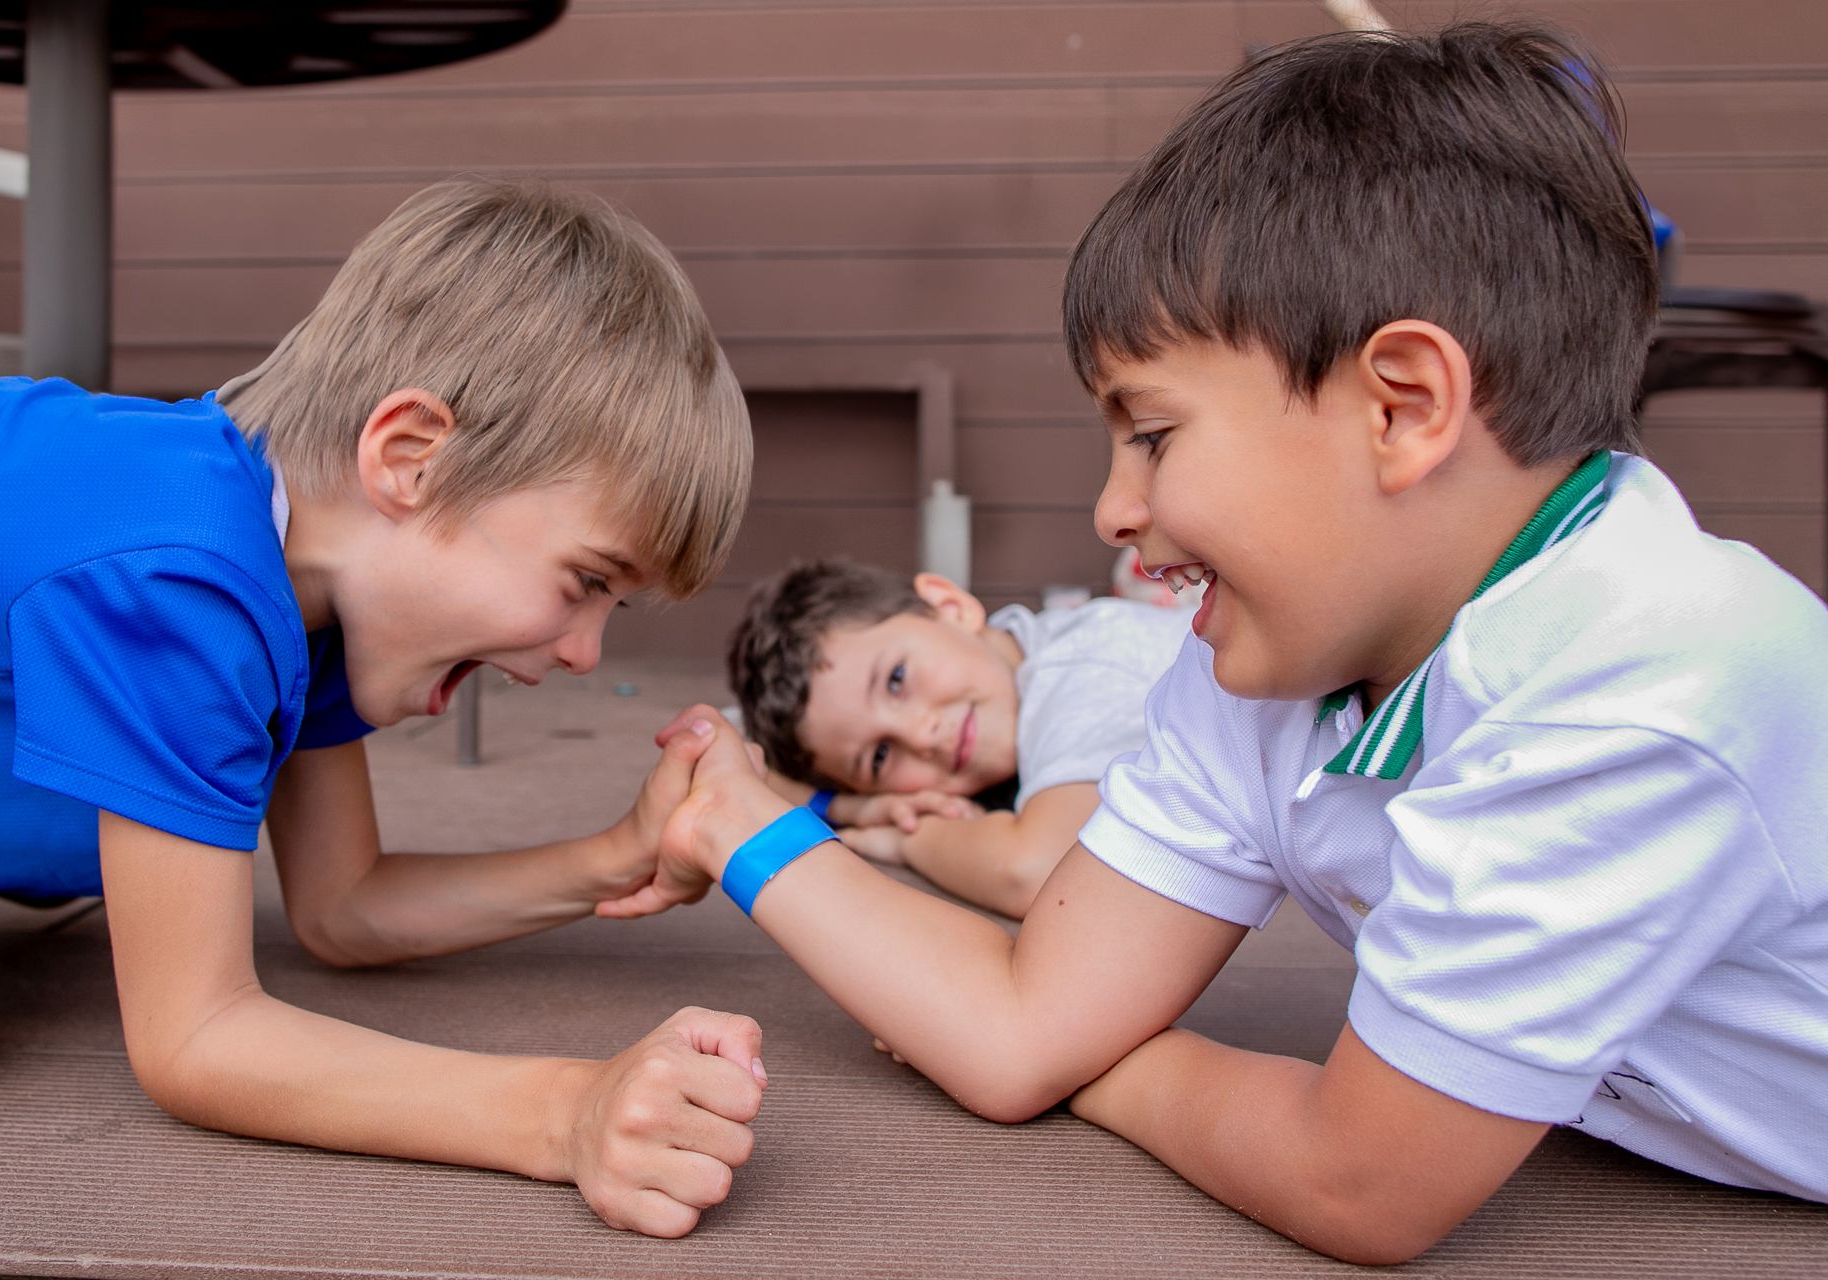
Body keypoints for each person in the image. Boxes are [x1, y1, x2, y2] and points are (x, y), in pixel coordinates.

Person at [612, 22, 1828, 1263]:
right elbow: (1026, 1023)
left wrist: (1121, 1063)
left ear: (1402, 406)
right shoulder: (1262, 664)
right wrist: (742, 819)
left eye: (1151, 433)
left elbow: (1358, 1180)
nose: (1111, 512)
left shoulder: (1638, 686)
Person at [0, 179, 765, 1239]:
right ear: (409, 458)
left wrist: (620, 853)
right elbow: (197, 1036)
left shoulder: (304, 589)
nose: (586, 650)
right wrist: (565, 1110)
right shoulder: (180, 572)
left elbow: (343, 907)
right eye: (587, 580)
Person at [726, 559, 1192, 917]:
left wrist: (908, 839)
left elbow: (1036, 874)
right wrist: (852, 809)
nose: (921, 735)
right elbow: (727, 742)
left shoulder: (1083, 670)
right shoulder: (1003, 668)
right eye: (881, 756)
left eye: (895, 679)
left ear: (950, 607)